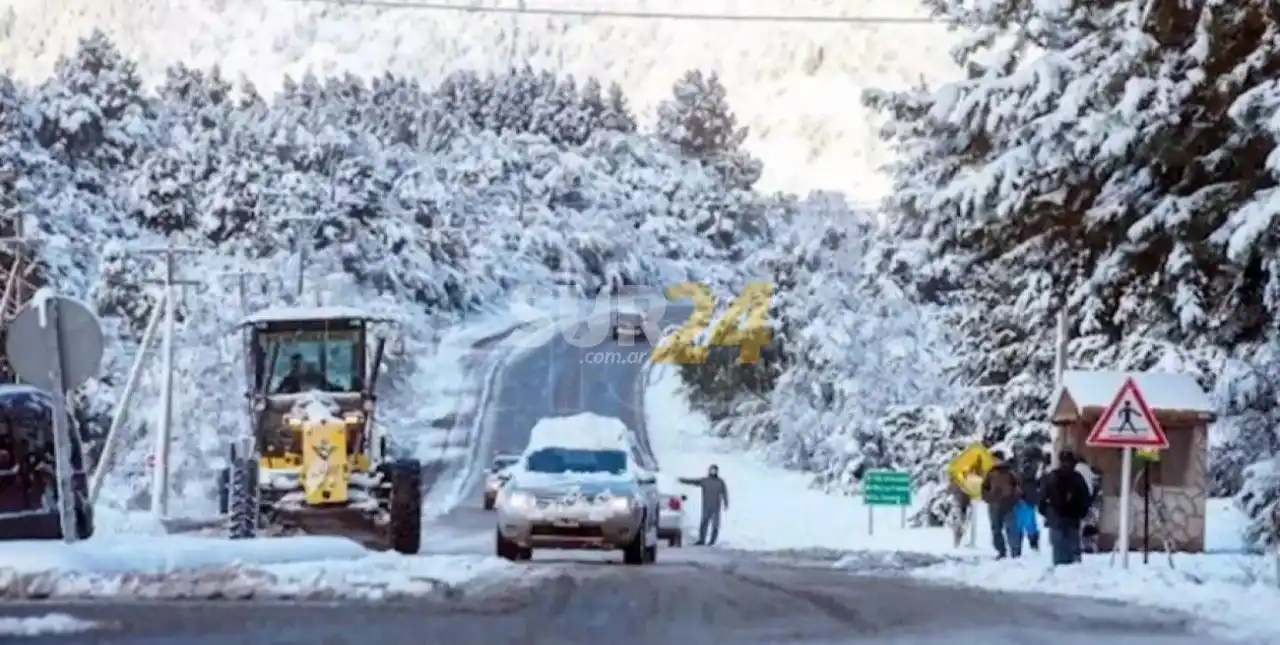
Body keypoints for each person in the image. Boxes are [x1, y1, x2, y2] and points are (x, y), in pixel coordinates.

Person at [1039, 450, 1093, 565]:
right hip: (1073, 518)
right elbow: (1086, 497)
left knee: (1058, 548)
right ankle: (1073, 570)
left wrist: (1046, 513)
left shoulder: (1051, 476)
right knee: (1073, 547)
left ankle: (1060, 570)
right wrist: (1082, 513)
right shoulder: (1078, 477)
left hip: (1056, 517)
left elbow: (1042, 497)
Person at [980, 449, 1022, 558]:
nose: (995, 461)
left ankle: (1015, 552)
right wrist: (989, 498)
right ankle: (1001, 551)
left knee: (1012, 529)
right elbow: (984, 489)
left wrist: (1015, 498)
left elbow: (1017, 487)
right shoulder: (990, 473)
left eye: (996, 459)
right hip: (994, 505)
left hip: (1009, 505)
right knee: (996, 530)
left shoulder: (1010, 472)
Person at [679, 464, 729, 546]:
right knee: (704, 523)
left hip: (716, 506)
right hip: (706, 506)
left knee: (715, 525)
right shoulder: (705, 481)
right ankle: (702, 540)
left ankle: (712, 541)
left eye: (714, 470)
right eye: (711, 470)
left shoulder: (720, 482)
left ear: (717, 471)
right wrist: (682, 480)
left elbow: (724, 493)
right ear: (709, 470)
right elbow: (693, 482)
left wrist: (726, 503)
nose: (713, 471)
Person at [1013, 445, 1047, 552]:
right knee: (1029, 523)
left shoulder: (1027, 466)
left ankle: (1019, 547)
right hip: (1029, 498)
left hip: (1024, 498)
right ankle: (1033, 545)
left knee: (1022, 523)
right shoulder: (1034, 467)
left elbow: (1022, 479)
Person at [1075, 456, 1101, 555]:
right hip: (1092, 501)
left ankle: (1082, 545)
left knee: (1081, 525)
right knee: (1092, 523)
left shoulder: (1075, 470)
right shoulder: (1090, 472)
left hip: (1079, 502)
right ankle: (1092, 545)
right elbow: (1096, 485)